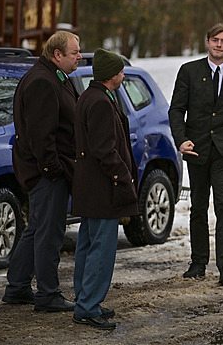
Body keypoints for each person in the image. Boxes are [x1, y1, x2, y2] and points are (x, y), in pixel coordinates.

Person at [2, 31, 81, 312]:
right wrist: (53, 170)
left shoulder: (55, 77)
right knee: (49, 232)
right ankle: (47, 293)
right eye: (74, 53)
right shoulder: (42, 82)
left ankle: (18, 286)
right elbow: (40, 135)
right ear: (57, 55)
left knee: (37, 228)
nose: (79, 56)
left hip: (47, 170)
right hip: (46, 172)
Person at [168, 23, 223, 286]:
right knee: (198, 207)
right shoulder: (189, 71)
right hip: (197, 149)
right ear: (207, 42)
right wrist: (181, 140)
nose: (219, 45)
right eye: (215, 40)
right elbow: (176, 110)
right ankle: (198, 262)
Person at [71, 48, 139, 330]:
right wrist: (124, 176)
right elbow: (104, 149)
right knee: (100, 249)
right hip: (102, 189)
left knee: (88, 245)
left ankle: (86, 301)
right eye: (121, 71)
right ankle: (87, 307)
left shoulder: (93, 95)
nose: (123, 74)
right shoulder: (99, 100)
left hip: (92, 187)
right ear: (111, 75)